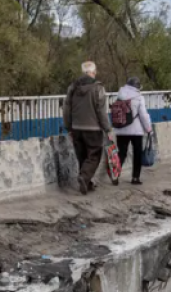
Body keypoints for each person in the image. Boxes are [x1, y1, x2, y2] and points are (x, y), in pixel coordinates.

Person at [63, 61, 113, 195]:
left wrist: (68, 127)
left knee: (83, 157)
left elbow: (67, 109)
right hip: (93, 128)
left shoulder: (72, 87)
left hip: (76, 128)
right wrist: (107, 128)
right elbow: (101, 111)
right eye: (95, 71)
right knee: (94, 155)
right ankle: (84, 178)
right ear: (92, 72)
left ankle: (86, 183)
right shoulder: (98, 88)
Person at [113, 77, 152, 185]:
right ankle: (135, 178)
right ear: (137, 87)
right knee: (137, 154)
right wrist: (148, 129)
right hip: (136, 131)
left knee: (121, 153)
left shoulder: (119, 95)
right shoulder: (139, 97)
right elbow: (143, 115)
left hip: (121, 130)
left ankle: (115, 175)